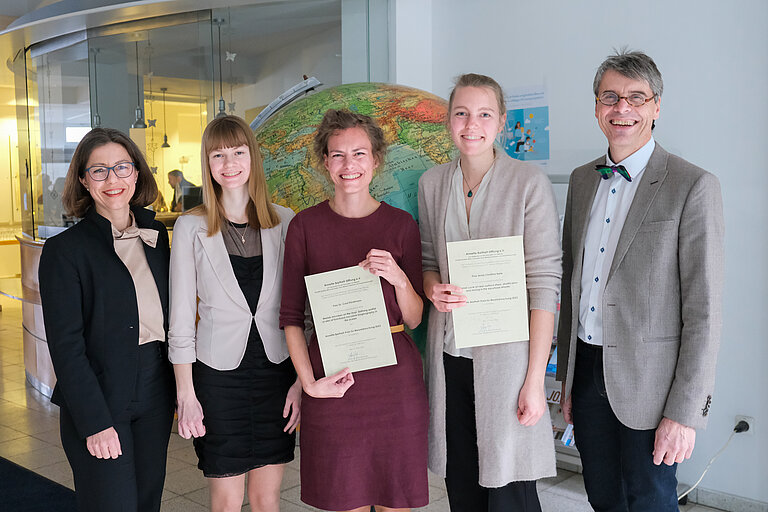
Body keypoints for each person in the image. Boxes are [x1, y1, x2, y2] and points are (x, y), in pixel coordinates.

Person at [557, 50, 724, 511]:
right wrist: (569, 381)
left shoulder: (692, 185)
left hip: (652, 387)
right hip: (588, 375)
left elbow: (704, 311)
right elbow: (573, 282)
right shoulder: (580, 180)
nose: (622, 108)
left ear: (656, 108)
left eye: (636, 97)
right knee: (602, 497)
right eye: (610, 97)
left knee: (649, 502)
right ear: (596, 107)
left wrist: (685, 412)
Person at [418, 73, 561, 511]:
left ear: (501, 122)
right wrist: (432, 290)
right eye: (460, 113)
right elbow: (427, 263)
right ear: (448, 121)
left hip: (507, 365)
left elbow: (543, 287)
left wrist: (535, 381)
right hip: (450, 360)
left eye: (483, 114)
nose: (471, 124)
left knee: (508, 490)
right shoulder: (432, 183)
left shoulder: (528, 183)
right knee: (462, 486)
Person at [280, 109, 428, 512]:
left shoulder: (401, 225)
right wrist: (308, 383)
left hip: (394, 386)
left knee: (397, 502)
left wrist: (398, 278)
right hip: (334, 383)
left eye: (359, 154)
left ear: (375, 160)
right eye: (338, 155)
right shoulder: (304, 227)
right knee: (343, 501)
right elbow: (291, 317)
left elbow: (413, 319)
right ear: (325, 162)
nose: (349, 165)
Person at [38, 127, 175, 511]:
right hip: (100, 394)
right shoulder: (64, 251)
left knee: (147, 502)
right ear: (83, 180)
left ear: (136, 173)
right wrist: (95, 422)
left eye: (121, 167)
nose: (112, 179)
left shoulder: (156, 234)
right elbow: (66, 347)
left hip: (155, 390)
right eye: (98, 170)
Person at [168, 115, 300, 512]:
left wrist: (299, 382)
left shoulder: (286, 221)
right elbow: (179, 320)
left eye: (238, 152)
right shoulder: (190, 227)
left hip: (276, 374)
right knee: (226, 501)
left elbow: (299, 313)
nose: (229, 163)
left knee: (266, 498)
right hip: (217, 378)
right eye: (218, 154)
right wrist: (186, 395)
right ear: (207, 163)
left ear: (252, 157)